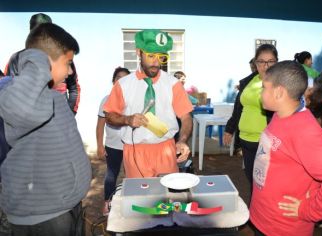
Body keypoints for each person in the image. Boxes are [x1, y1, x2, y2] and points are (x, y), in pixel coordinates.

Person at [0, 23, 91, 236]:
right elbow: (22, 110)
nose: (70, 72)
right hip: (43, 219)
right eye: (68, 63)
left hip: (65, 208)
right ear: (45, 62)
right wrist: (36, 57)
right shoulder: (12, 92)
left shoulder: (50, 95)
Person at [249, 60, 322, 236]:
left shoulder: (305, 131)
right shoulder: (279, 115)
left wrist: (308, 210)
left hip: (283, 228)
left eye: (264, 88)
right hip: (263, 218)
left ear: (279, 92)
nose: (260, 93)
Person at [104, 29, 193, 178]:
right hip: (135, 151)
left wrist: (182, 140)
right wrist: (127, 119)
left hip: (166, 150)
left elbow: (186, 117)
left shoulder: (173, 84)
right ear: (139, 52)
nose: (156, 63)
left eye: (161, 57)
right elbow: (109, 116)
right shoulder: (123, 84)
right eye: (151, 56)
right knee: (139, 197)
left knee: (167, 197)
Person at [4, 13, 81, 115]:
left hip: (59, 120)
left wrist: (70, 113)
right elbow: (8, 91)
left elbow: (74, 88)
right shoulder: (16, 59)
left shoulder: (64, 59)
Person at [223, 44, 277, 187]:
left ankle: (261, 208)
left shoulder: (280, 84)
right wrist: (230, 128)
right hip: (246, 140)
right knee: (251, 179)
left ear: (276, 62)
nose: (265, 65)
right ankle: (255, 208)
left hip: (266, 143)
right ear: (255, 63)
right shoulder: (248, 81)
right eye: (261, 61)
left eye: (270, 61)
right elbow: (238, 108)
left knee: (265, 183)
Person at [96, 67, 130, 216]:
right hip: (113, 146)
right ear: (113, 81)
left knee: (131, 176)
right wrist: (99, 146)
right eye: (118, 78)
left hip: (131, 145)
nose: (121, 81)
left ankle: (130, 204)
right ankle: (107, 203)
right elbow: (100, 125)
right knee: (111, 176)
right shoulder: (106, 100)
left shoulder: (134, 100)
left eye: (125, 78)